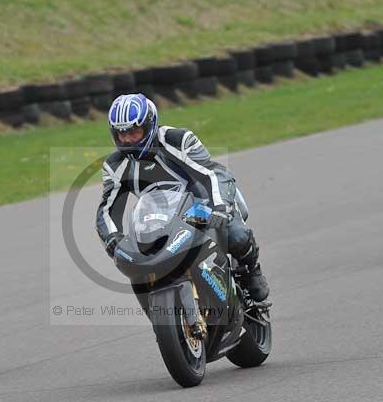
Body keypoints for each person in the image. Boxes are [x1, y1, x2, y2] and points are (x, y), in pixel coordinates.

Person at [96, 93, 270, 302]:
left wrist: (220, 207)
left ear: (150, 125)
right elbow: (108, 209)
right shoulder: (115, 165)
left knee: (236, 236)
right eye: (121, 134)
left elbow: (213, 173)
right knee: (137, 263)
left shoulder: (178, 140)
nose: (127, 140)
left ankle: (251, 269)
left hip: (206, 204)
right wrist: (112, 239)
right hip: (161, 216)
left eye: (134, 132)